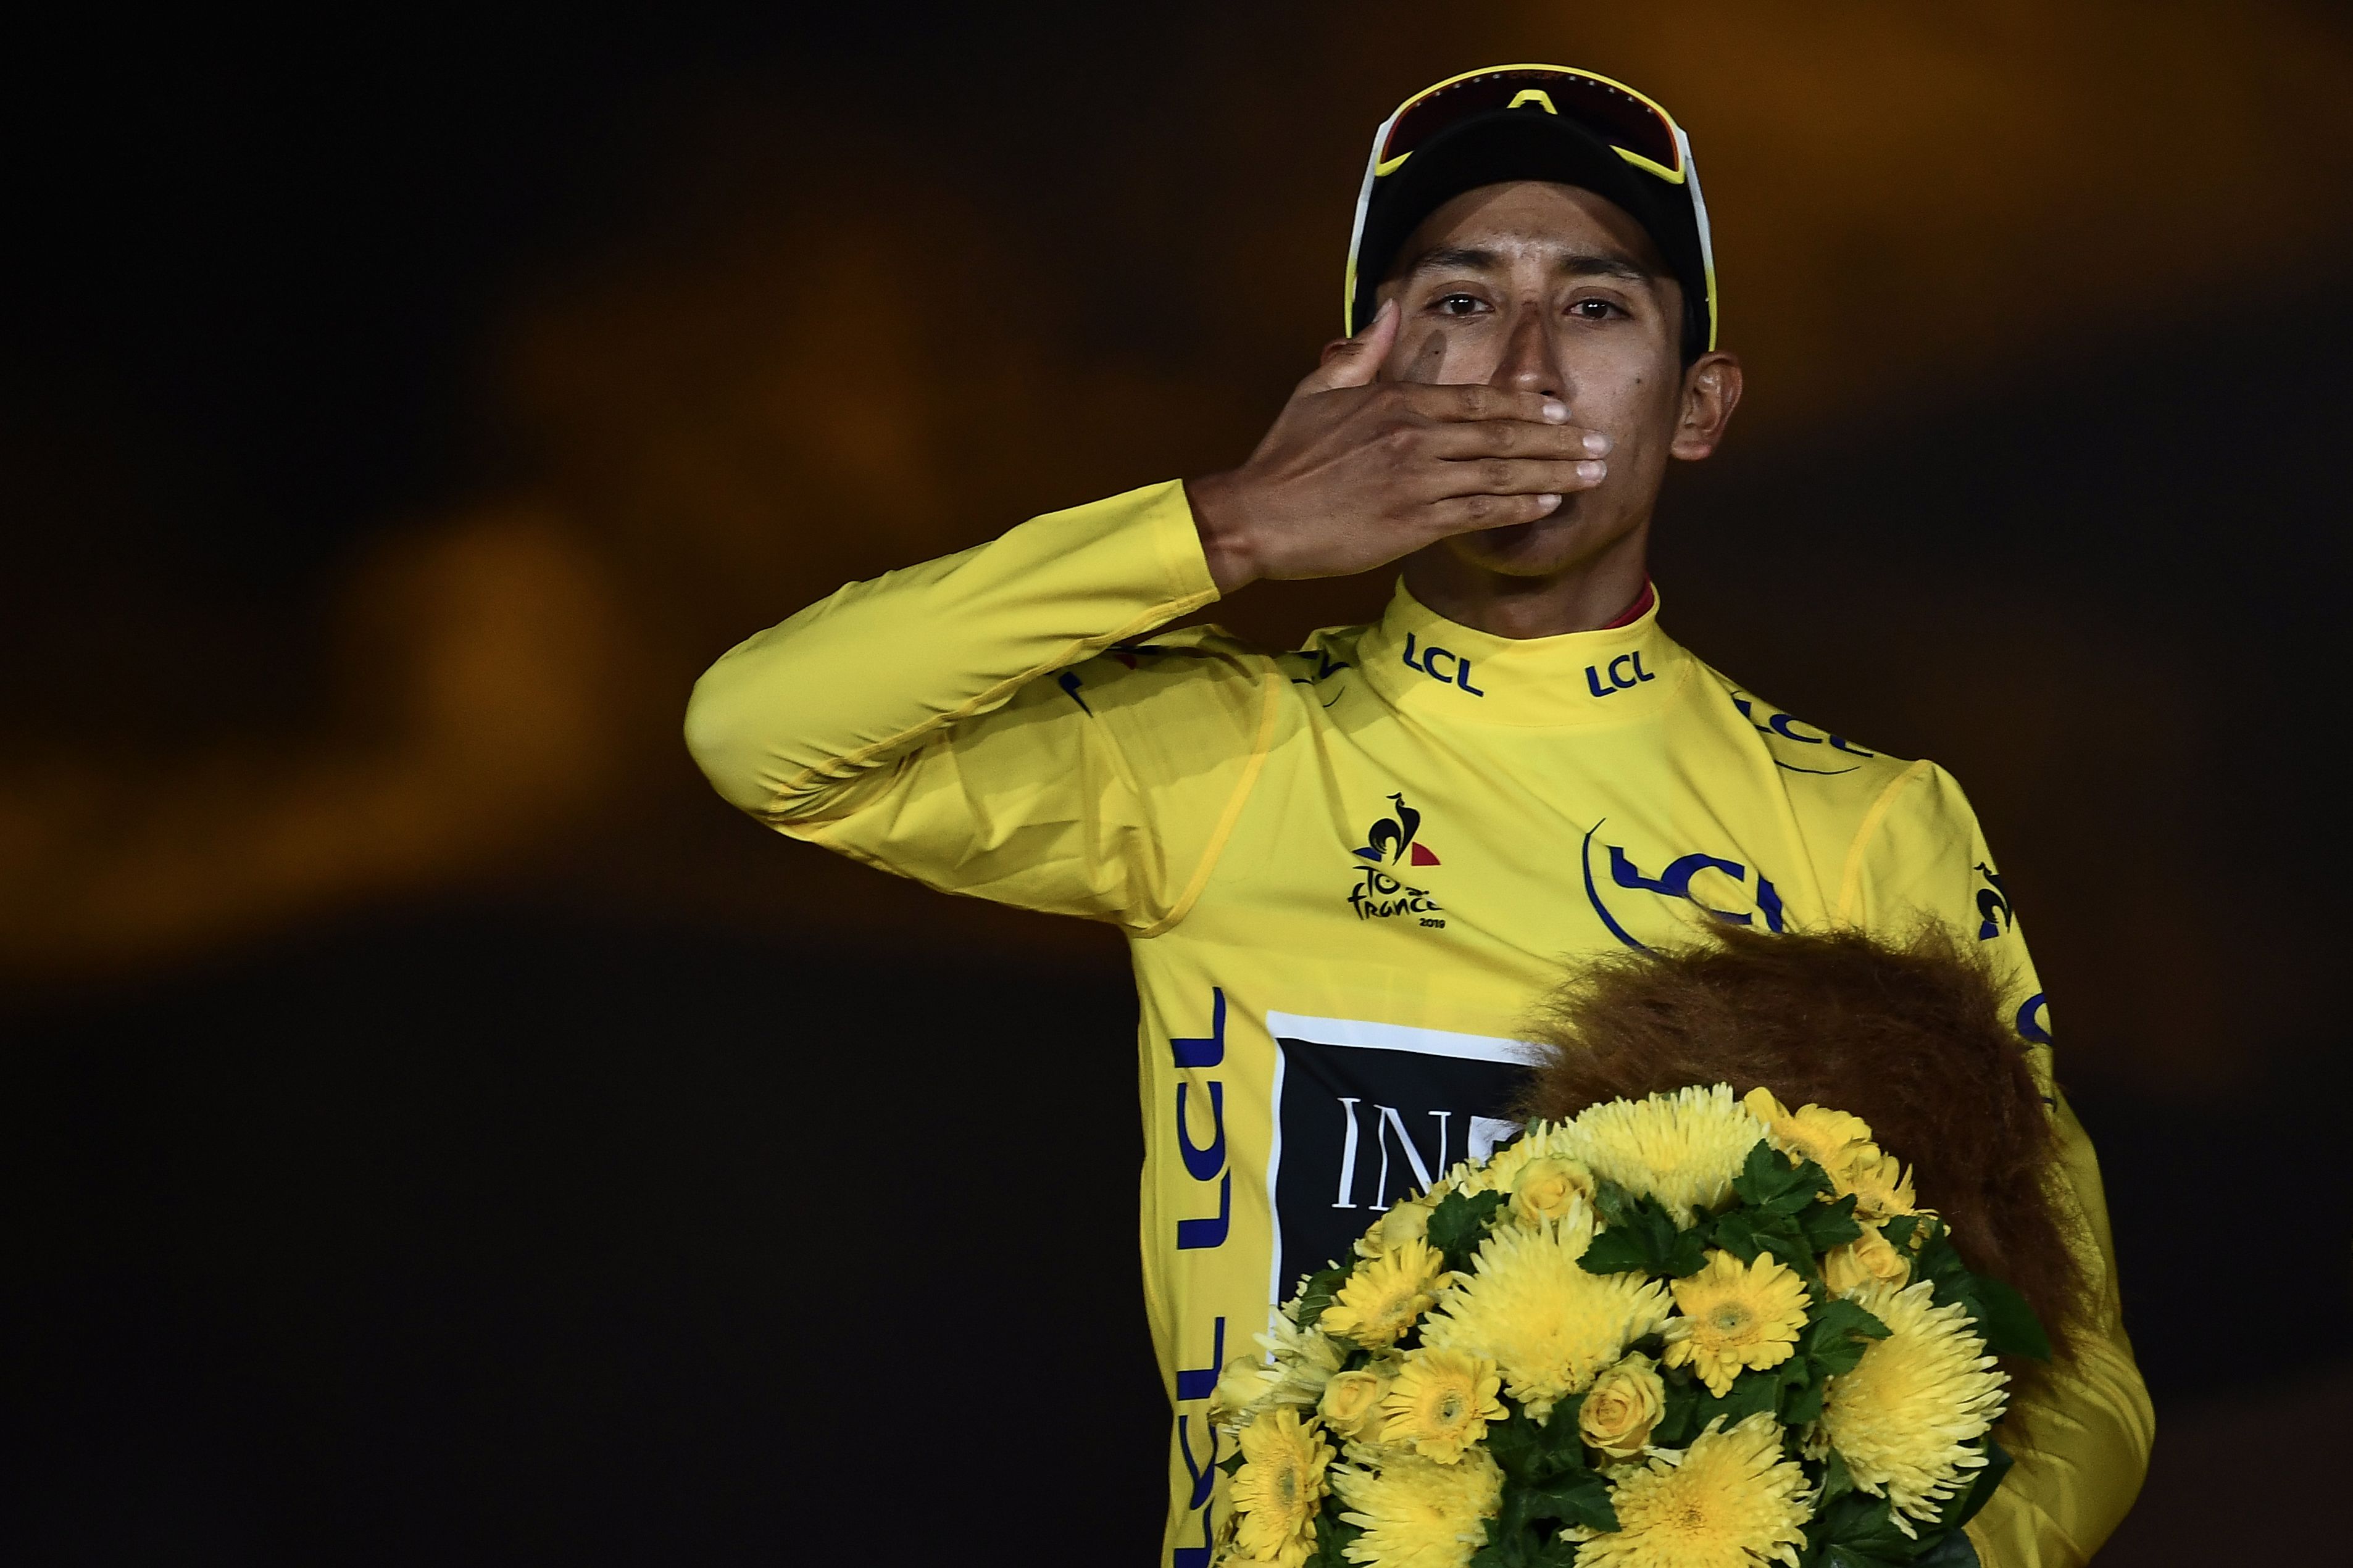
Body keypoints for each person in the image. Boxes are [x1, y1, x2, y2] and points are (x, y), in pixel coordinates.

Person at [682, 64, 2151, 1567]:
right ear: (1361, 380)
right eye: (1455, 305)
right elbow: (760, 730)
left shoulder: (1863, 821)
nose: (1518, 368)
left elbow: (2078, 1362)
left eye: (1594, 309)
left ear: (1698, 406)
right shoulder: (1220, 754)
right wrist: (1239, 522)